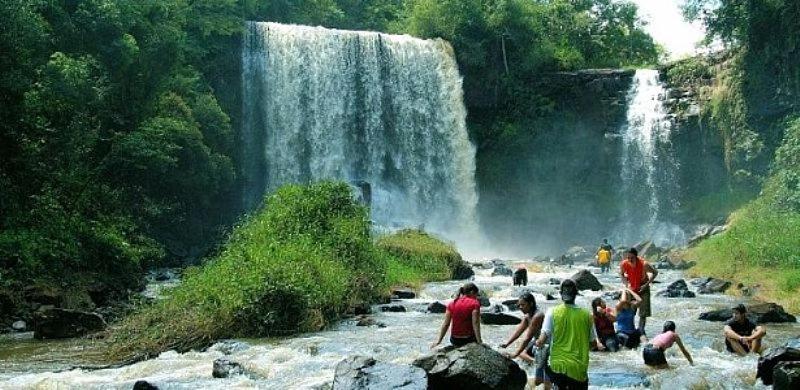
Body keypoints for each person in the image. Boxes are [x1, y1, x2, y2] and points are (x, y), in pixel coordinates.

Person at [535, 279, 603, 389]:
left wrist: (537, 344)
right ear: (576, 294)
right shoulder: (586, 315)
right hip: (579, 370)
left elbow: (542, 340)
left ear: (561, 294)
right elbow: (593, 344)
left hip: (557, 367)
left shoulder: (552, 312)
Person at [500, 292, 550, 389]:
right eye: (519, 305)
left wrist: (514, 354)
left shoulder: (538, 316)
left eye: (523, 305)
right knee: (521, 353)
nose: (520, 307)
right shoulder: (528, 316)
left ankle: (539, 364)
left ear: (531, 304)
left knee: (541, 380)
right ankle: (535, 362)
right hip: (537, 343)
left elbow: (527, 338)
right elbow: (518, 332)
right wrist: (507, 343)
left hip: (546, 344)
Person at [431, 282, 482, 348]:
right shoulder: (475, 304)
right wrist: (479, 341)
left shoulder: (451, 303)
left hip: (455, 340)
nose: (476, 297)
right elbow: (475, 323)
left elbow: (446, 324)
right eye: (476, 295)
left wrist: (439, 341)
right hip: (468, 339)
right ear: (472, 292)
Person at [619, 247, 658, 334]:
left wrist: (646, 284)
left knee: (643, 313)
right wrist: (626, 284)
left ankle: (641, 330)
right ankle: (631, 329)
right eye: (628, 257)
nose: (629, 259)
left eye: (631, 258)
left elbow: (655, 272)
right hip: (632, 289)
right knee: (630, 310)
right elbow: (621, 274)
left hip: (643, 289)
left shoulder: (644, 264)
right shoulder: (624, 264)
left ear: (636, 256)